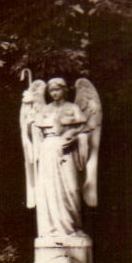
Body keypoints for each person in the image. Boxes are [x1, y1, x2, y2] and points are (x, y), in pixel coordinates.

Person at [23, 76, 100, 238]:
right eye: (51, 90)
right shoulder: (44, 110)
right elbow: (35, 134)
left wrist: (73, 136)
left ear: (64, 90)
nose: (54, 93)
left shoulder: (73, 108)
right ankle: (51, 230)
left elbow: (85, 128)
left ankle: (72, 228)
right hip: (47, 151)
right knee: (49, 189)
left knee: (72, 188)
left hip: (66, 151)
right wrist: (29, 119)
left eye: (57, 89)